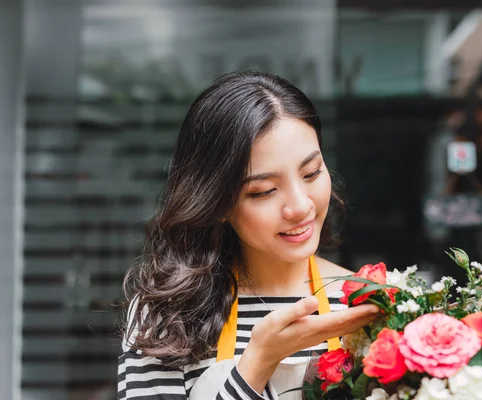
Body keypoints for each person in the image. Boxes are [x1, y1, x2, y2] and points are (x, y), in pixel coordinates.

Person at [118, 71, 379, 400]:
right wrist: (259, 361)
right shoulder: (168, 314)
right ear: (217, 201)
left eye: (311, 173)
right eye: (264, 191)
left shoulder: (369, 303)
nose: (299, 206)